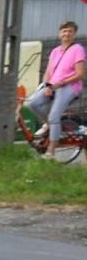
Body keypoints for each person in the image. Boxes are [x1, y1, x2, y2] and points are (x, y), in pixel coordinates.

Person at [23, 20, 86, 158]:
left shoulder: (78, 49)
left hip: (70, 86)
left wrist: (60, 83)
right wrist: (47, 85)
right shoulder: (55, 51)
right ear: (59, 34)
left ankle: (50, 152)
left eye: (70, 31)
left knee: (54, 115)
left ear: (74, 34)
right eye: (64, 31)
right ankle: (49, 124)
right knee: (33, 103)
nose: (67, 33)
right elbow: (49, 71)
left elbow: (80, 74)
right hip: (53, 85)